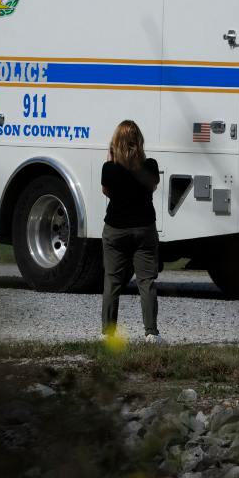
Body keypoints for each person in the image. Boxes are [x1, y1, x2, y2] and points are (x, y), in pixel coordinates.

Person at [100, 120, 163, 342]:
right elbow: (152, 187)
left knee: (112, 281)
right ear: (139, 143)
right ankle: (151, 333)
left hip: (116, 229)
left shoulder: (109, 169)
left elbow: (107, 191)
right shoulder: (150, 166)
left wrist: (112, 159)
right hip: (144, 228)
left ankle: (108, 333)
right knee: (146, 282)